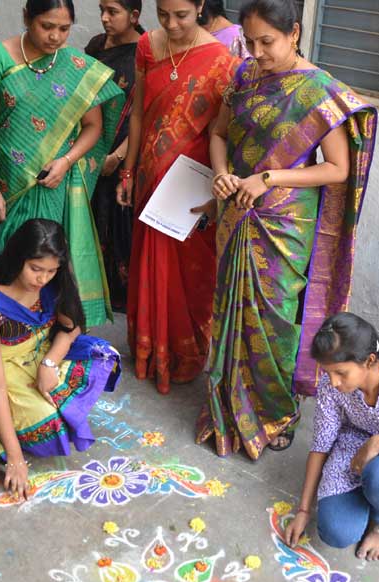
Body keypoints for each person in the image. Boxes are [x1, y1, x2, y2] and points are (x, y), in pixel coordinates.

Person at [194, 0, 377, 458]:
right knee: (229, 310)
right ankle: (227, 403)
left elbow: (336, 169)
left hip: (283, 222)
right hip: (236, 211)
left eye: (267, 42)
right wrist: (221, 172)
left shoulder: (316, 90)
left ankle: (274, 411)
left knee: (273, 320)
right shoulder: (243, 76)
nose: (257, 52)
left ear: (293, 33)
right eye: (250, 42)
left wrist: (268, 178)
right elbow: (219, 134)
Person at [0, 0, 125, 328]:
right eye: (46, 26)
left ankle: (40, 335)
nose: (55, 36)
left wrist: (66, 161)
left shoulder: (76, 66)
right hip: (9, 183)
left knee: (46, 261)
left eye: (64, 28)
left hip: (55, 183)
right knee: (7, 254)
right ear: (27, 18)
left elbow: (93, 127)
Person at [116, 0, 239, 394]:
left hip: (191, 183)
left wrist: (219, 186)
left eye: (181, 15)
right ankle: (149, 349)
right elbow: (137, 113)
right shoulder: (147, 48)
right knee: (149, 262)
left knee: (188, 270)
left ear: (200, 6)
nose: (171, 24)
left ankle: (183, 355)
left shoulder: (222, 61)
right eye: (163, 14)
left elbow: (225, 132)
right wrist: (130, 169)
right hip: (151, 176)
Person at [0, 220, 121, 500]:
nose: (43, 279)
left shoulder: (53, 285)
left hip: (42, 355)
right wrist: (15, 459)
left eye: (52, 271)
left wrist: (50, 363)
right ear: (18, 258)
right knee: (49, 422)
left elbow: (73, 327)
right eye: (35, 269)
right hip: (5, 372)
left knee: (103, 356)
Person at [281, 313, 379, 561]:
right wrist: (303, 510)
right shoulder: (331, 386)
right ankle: (378, 496)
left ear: (369, 360)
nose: (333, 382)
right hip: (353, 446)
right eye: (328, 372)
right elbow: (321, 445)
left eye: (341, 373)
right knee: (336, 533)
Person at [85, 0, 143, 312]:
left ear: (134, 16)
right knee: (92, 219)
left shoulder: (144, 54)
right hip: (91, 148)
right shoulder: (96, 46)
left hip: (124, 153)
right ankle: (93, 288)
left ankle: (120, 295)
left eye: (113, 12)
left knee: (120, 222)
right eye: (102, 11)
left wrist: (119, 157)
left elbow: (143, 112)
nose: (105, 18)